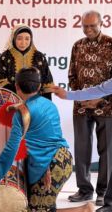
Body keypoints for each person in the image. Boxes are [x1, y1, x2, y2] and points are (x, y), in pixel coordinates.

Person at [0, 67, 94, 212]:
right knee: (36, 206)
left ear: (16, 86)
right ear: (39, 86)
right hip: (62, 159)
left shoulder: (22, 113)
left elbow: (11, 148)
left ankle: (84, 210)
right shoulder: (50, 105)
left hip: (52, 165)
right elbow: (48, 139)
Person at [68, 10, 112, 205]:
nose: (88, 29)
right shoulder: (77, 46)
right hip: (81, 107)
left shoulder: (111, 45)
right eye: (85, 26)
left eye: (92, 25)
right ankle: (84, 189)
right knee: (82, 148)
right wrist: (81, 97)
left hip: (107, 107)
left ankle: (104, 191)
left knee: (107, 150)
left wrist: (99, 99)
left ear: (102, 24)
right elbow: (72, 76)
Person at [52, 80, 112, 212]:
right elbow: (101, 89)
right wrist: (68, 95)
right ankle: (108, 204)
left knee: (107, 151)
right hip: (84, 105)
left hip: (106, 110)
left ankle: (104, 195)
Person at [0, 24, 54, 99]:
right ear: (14, 38)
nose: (23, 42)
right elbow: (0, 80)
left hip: (36, 101)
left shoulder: (39, 57)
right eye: (19, 38)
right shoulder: (6, 56)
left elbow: (47, 82)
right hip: (12, 100)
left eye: (27, 39)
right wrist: (17, 93)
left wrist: (46, 104)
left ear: (31, 39)